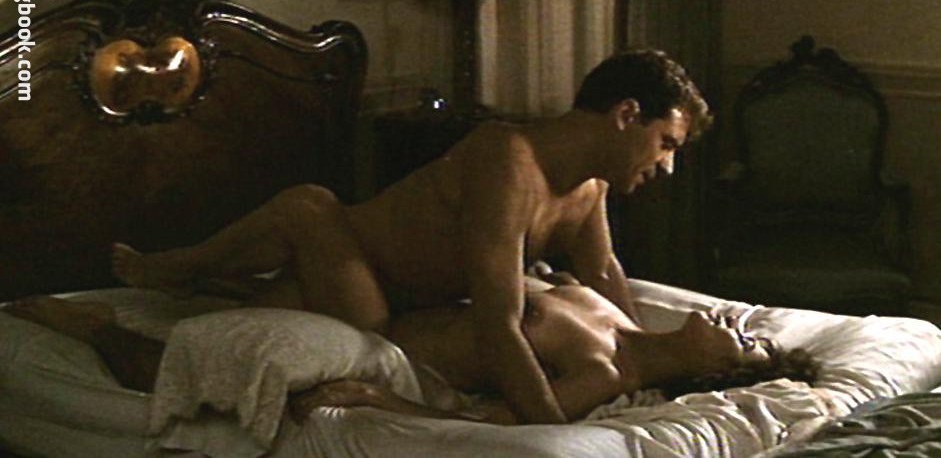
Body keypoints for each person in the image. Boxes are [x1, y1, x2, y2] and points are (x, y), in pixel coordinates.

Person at [110, 49, 713, 424]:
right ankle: (179, 269)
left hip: (400, 300)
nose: (666, 166)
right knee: (309, 209)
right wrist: (547, 426)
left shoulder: (589, 186)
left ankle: (202, 281)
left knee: (224, 323)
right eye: (666, 144)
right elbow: (497, 319)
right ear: (626, 115)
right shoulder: (509, 159)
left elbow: (603, 273)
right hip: (360, 269)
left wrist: (645, 355)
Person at [2, 273, 816, 426]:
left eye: (746, 345)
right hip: (392, 298)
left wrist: (383, 399)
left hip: (385, 347)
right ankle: (166, 276)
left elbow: (507, 422)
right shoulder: (606, 305)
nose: (735, 325)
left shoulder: (602, 372)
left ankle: (93, 329)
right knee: (297, 226)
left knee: (180, 359)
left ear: (714, 370)